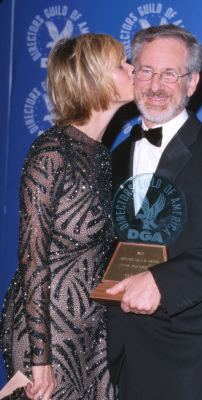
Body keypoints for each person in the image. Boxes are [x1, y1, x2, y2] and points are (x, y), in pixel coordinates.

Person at [106, 25, 202, 400]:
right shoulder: (115, 157)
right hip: (122, 352)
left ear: (191, 83)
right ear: (132, 74)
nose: (155, 85)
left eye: (169, 74)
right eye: (146, 70)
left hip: (193, 358)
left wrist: (162, 281)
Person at [0, 33, 134, 400]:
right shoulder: (51, 151)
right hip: (48, 329)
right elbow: (32, 256)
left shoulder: (102, 156)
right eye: (121, 65)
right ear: (94, 80)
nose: (133, 69)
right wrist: (39, 358)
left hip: (92, 325)